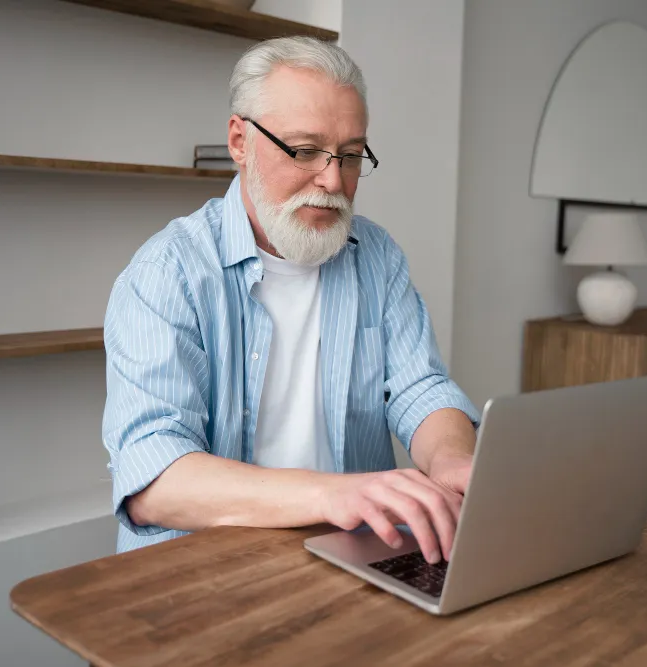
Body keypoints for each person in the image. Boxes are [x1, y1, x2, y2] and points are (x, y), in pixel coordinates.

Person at [102, 36, 479, 565]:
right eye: (304, 151)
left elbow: (421, 388)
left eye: (350, 156)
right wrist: (334, 493)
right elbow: (154, 481)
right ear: (239, 140)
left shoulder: (375, 254)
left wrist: (452, 460)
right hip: (203, 576)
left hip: (353, 556)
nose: (332, 180)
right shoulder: (168, 273)